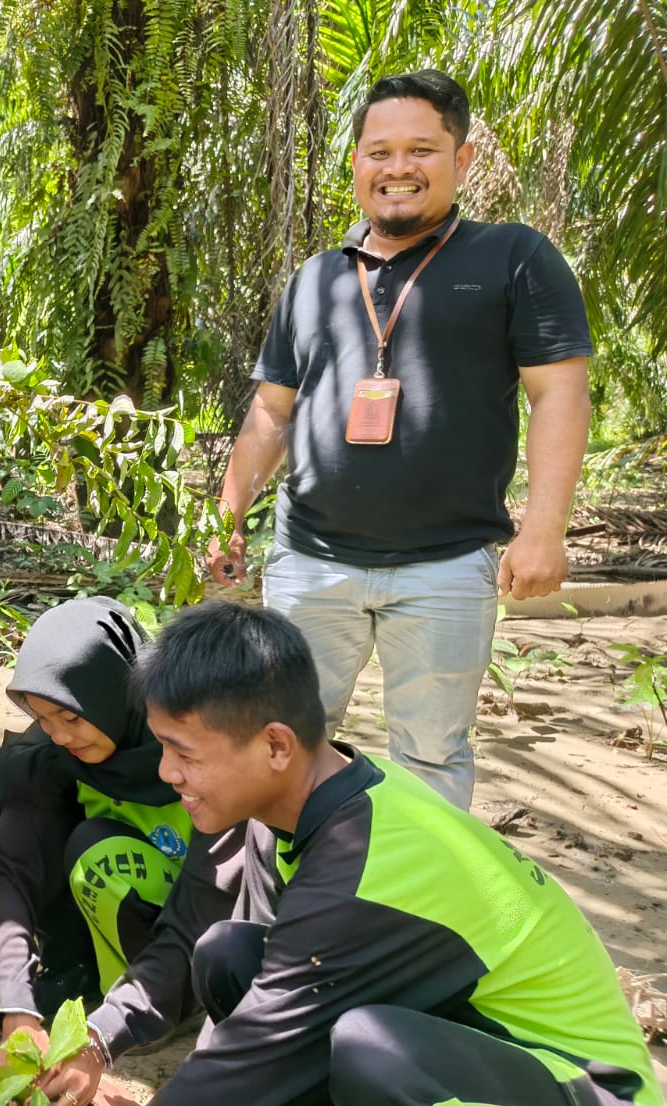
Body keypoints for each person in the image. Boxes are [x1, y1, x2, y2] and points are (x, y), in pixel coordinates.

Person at [0, 602, 667, 1106]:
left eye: (184, 752)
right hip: (494, 1077)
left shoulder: (365, 868)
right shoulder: (318, 804)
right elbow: (249, 1012)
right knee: (229, 957)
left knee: (371, 1051)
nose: (167, 772)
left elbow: (253, 1059)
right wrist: (133, 1089)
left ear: (275, 745)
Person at [206, 70, 592, 810]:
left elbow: (559, 394)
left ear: (462, 159)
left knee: (432, 756)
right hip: (310, 562)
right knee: (280, 744)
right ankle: (287, 882)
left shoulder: (513, 258)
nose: (398, 168)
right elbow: (271, 413)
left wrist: (545, 529)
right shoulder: (315, 279)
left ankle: (417, 889)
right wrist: (226, 516)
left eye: (422, 149)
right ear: (356, 161)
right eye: (379, 151)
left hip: (445, 566)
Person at [0, 597, 249, 1106]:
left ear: (112, 695)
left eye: (70, 716)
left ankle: (163, 1007)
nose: (59, 735)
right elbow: (14, 870)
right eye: (42, 717)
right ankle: (84, 976)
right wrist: (15, 1002)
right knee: (30, 792)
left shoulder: (199, 751)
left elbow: (211, 897)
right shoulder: (56, 753)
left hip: (204, 923)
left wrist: (102, 1038)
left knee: (99, 853)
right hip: (128, 905)